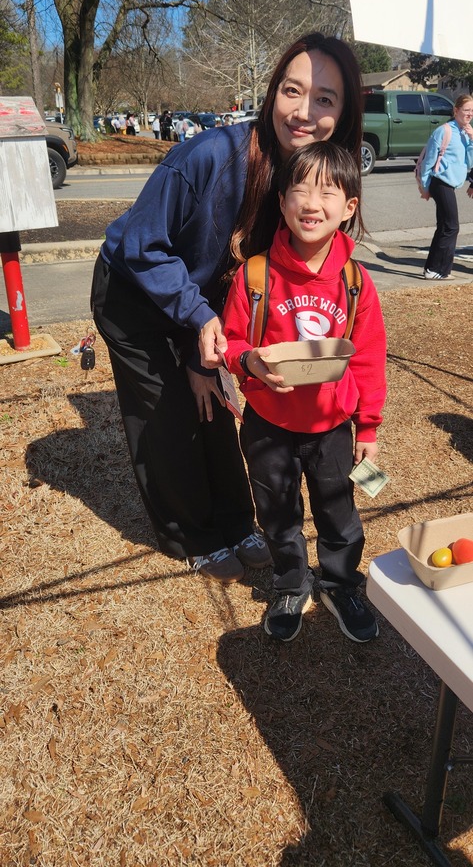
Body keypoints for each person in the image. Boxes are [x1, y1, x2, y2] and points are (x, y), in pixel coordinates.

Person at [90, 32, 364, 584]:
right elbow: (142, 245)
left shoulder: (305, 179)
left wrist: (205, 353)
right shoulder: (212, 154)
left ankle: (237, 522)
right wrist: (198, 325)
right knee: (167, 416)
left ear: (344, 112)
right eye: (293, 90)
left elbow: (244, 279)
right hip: (133, 295)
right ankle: (190, 533)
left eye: (325, 99)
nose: (304, 111)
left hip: (202, 306)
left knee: (212, 403)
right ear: (271, 92)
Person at [222, 142, 386, 643]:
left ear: (349, 207)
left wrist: (370, 427)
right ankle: (290, 582)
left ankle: (339, 583)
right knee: (277, 511)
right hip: (268, 425)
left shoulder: (355, 283)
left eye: (328, 191)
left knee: (339, 510)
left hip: (333, 426)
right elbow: (232, 343)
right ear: (282, 201)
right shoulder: (255, 275)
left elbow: (367, 358)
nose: (312, 203)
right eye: (300, 189)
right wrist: (247, 360)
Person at [420, 94, 473, 279]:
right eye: (466, 110)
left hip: (450, 184)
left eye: (472, 111)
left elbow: (470, 161)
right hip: (440, 182)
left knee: (444, 226)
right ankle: (438, 270)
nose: (470, 114)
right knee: (451, 226)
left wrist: (472, 140)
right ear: (456, 110)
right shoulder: (444, 131)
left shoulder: (465, 132)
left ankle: (432, 269)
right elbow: (428, 162)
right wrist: (424, 187)